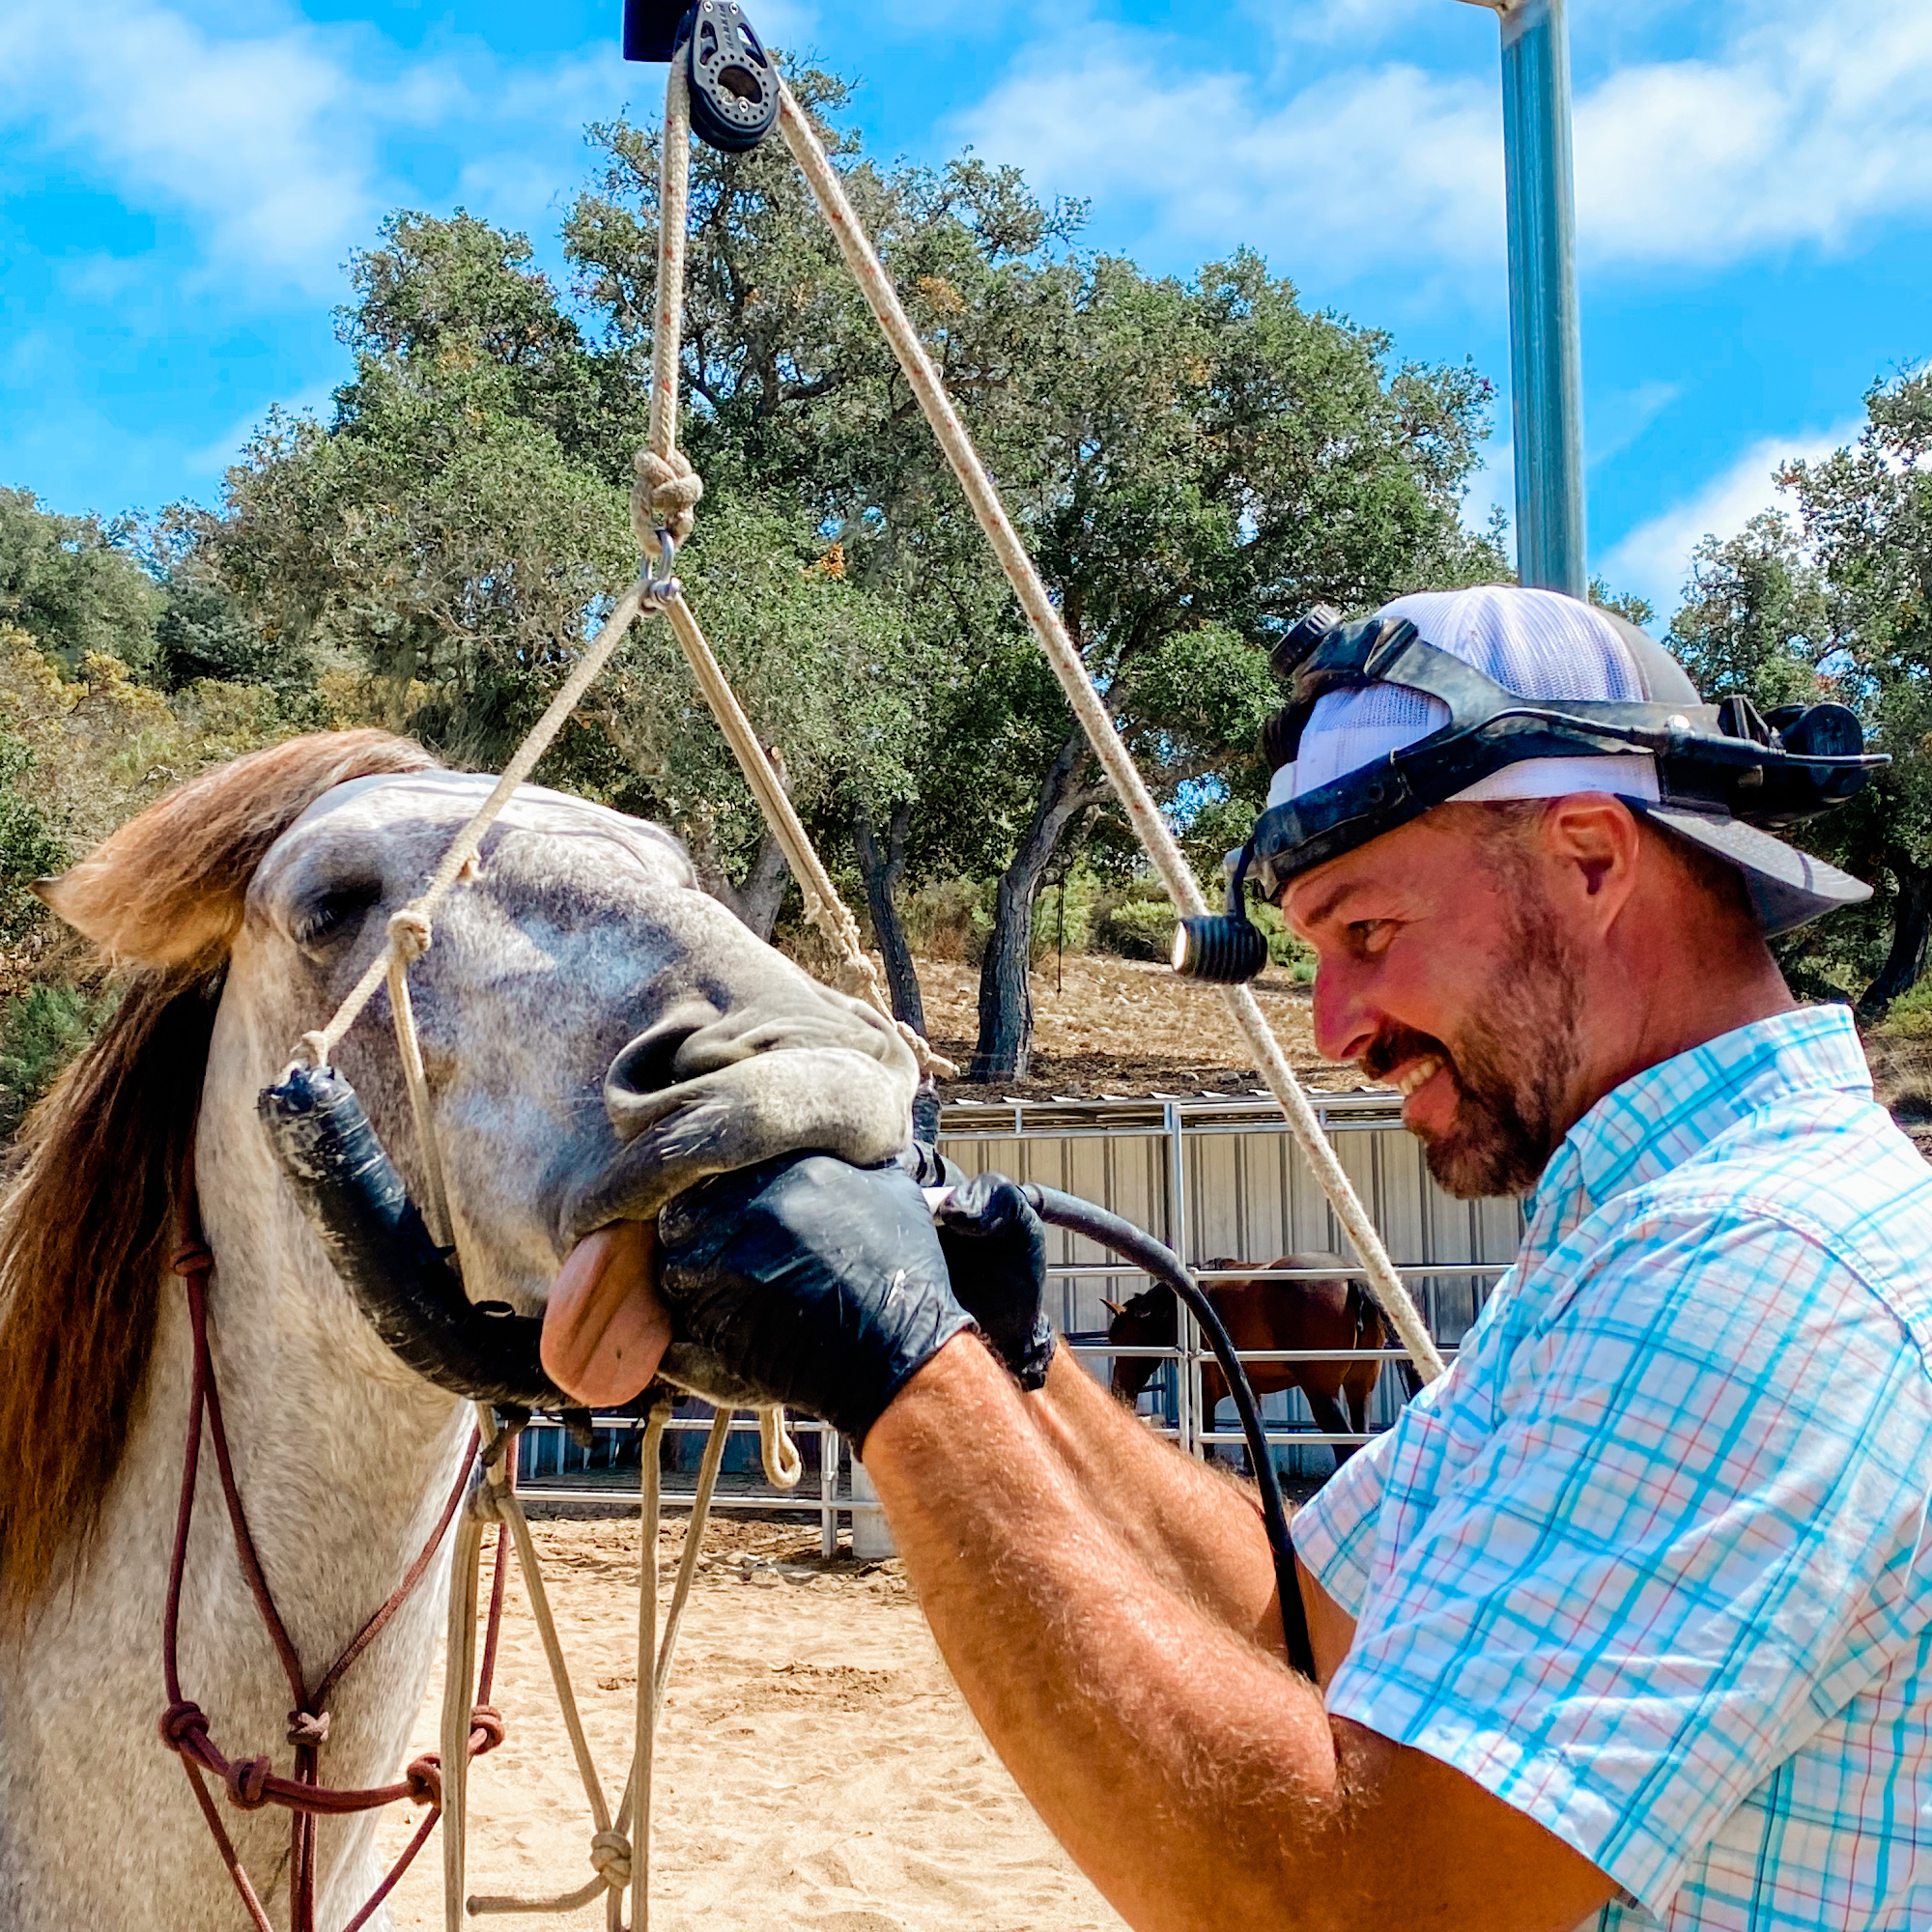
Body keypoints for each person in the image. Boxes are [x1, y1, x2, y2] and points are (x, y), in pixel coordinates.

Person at [550, 586, 1932, 1930]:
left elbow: (1344, 1905)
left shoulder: (1753, 1269)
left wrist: (908, 1377)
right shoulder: (1651, 1242)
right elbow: (1302, 1620)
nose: (1336, 1024)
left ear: (1589, 854)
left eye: (1368, 934)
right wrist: (1007, 1364)